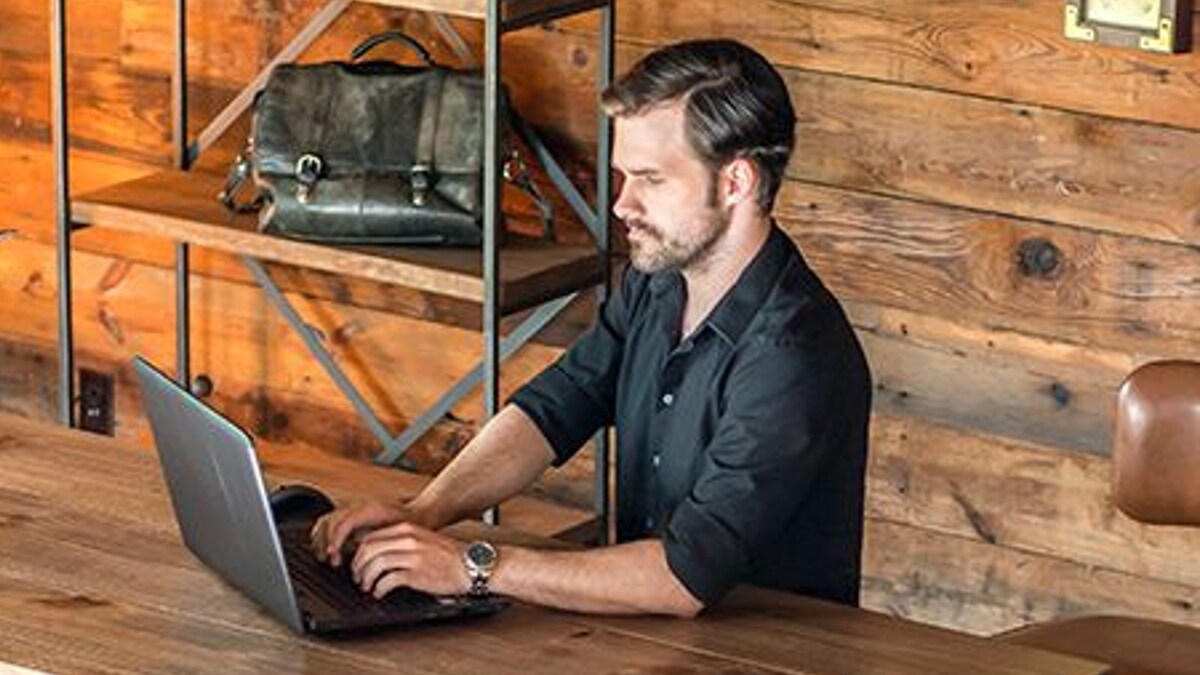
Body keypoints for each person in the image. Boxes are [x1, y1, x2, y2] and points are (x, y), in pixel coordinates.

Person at [311, 38, 872, 617]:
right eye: (623, 176)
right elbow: (555, 408)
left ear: (735, 183)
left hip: (769, 653)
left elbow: (683, 577)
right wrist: (423, 512)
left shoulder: (795, 355)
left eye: (651, 179)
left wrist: (472, 566)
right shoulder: (656, 283)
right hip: (647, 637)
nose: (623, 205)